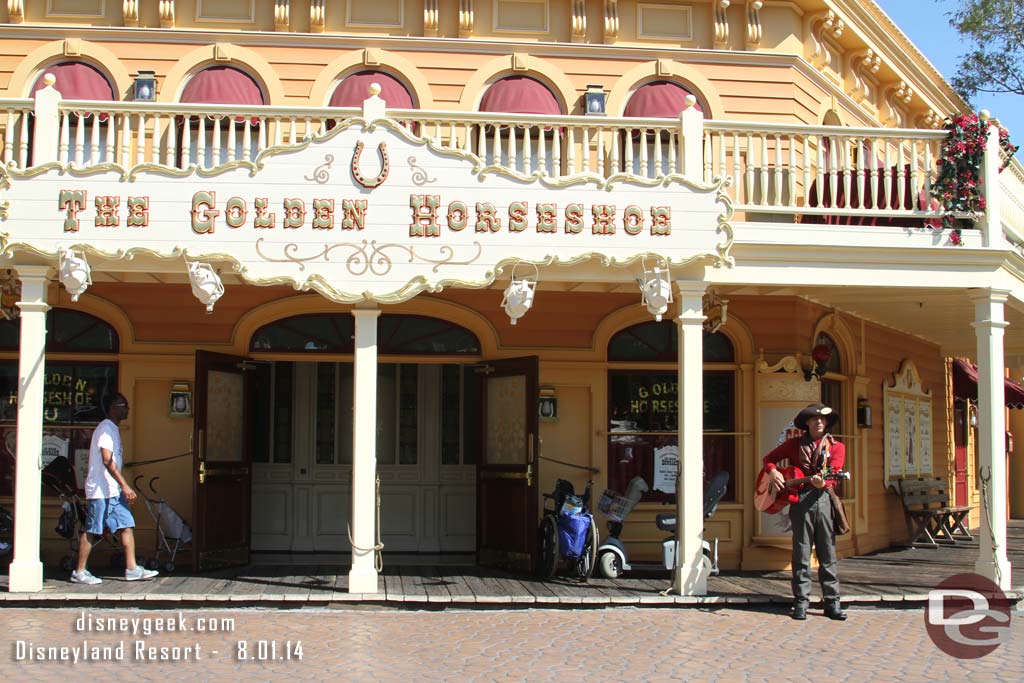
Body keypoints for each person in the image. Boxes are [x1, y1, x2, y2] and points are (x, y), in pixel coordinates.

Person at [762, 403, 846, 621]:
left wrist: (823, 482)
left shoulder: (837, 447)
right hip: (800, 501)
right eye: (813, 419)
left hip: (824, 498)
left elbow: (834, 473)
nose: (818, 422)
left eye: (822, 419)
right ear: (807, 423)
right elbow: (768, 459)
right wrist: (773, 473)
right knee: (801, 552)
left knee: (827, 552)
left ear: (826, 423)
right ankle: (801, 601)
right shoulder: (793, 445)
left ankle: (832, 602)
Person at [70, 393, 158, 585]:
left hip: (114, 491)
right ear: (113, 408)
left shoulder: (113, 430)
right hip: (101, 490)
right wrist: (125, 485)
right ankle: (80, 571)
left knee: (126, 525)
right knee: (93, 528)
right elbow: (107, 460)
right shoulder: (106, 429)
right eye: (123, 406)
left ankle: (132, 568)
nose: (127, 409)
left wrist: (120, 487)